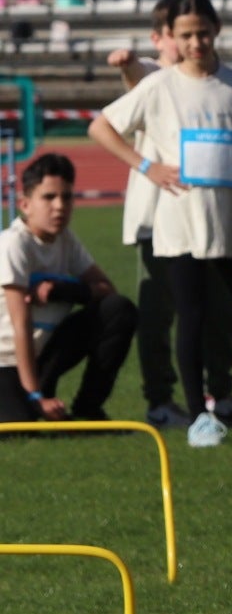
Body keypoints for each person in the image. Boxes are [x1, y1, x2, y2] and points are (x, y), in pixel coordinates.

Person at [91, 0, 232, 448]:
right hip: (180, 225)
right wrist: (147, 166)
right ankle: (200, 418)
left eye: (203, 32)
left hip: (231, 224)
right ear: (172, 39)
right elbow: (100, 126)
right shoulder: (159, 86)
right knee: (192, 318)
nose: (196, 42)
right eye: (186, 35)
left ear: (216, 29)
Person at [106, 2, 232, 429]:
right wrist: (126, 65)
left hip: (210, 217)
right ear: (161, 37)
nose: (187, 42)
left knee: (219, 310)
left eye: (197, 32)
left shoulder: (213, 79)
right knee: (160, 313)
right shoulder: (153, 77)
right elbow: (131, 81)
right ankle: (161, 399)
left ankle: (222, 394)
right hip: (156, 216)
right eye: (175, 34)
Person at [0, 152, 134, 423]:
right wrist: (36, 396)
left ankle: (88, 408)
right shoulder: (14, 245)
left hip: (45, 352)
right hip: (8, 358)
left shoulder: (66, 240)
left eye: (67, 196)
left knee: (119, 310)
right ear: (26, 204)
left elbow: (106, 289)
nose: (60, 206)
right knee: (20, 425)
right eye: (49, 197)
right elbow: (20, 326)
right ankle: (34, 397)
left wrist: (63, 290)